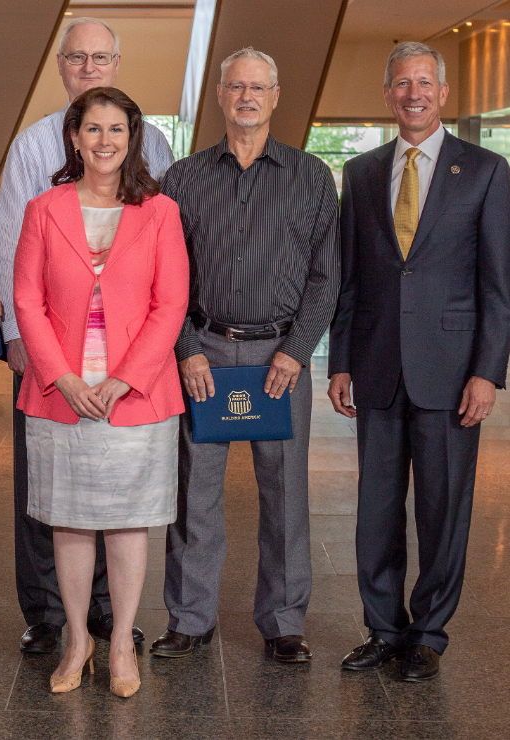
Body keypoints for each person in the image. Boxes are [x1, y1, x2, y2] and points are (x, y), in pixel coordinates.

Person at [329, 42, 510, 681]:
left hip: (454, 371)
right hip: (376, 367)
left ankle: (428, 634)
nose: (414, 93)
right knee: (376, 508)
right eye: (401, 83)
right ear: (387, 95)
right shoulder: (361, 171)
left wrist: (488, 371)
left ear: (443, 92)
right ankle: (384, 629)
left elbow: (498, 284)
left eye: (425, 82)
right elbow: (351, 278)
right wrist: (340, 362)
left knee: (443, 507)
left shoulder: (485, 171)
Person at [0, 16, 174, 655]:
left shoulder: (153, 150)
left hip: (129, 367)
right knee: (53, 499)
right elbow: (11, 248)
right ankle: (52, 618)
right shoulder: (31, 149)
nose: (89, 67)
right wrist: (27, 342)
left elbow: (166, 286)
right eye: (78, 58)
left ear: (116, 64)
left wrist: (134, 371)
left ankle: (109, 620)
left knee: (120, 503)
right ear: (62, 67)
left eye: (101, 58)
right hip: (53, 357)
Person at [156, 47, 340, 664]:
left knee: (285, 496)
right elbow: (166, 277)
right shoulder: (181, 178)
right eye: (236, 87)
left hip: (278, 358)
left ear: (276, 96)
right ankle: (189, 618)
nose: (246, 97)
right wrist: (185, 349)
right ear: (220, 96)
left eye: (258, 87)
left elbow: (324, 278)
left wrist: (296, 351)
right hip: (204, 351)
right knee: (194, 494)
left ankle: (285, 623)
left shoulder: (312, 177)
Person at [14, 86, 188, 697]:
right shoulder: (44, 208)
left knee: (127, 523)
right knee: (69, 522)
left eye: (116, 130)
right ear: (74, 137)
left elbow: (170, 306)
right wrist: (62, 375)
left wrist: (122, 379)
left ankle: (120, 646)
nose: (105, 141)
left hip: (135, 396)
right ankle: (77, 640)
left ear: (131, 138)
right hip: (61, 392)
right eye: (93, 129)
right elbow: (27, 302)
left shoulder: (160, 212)